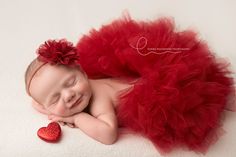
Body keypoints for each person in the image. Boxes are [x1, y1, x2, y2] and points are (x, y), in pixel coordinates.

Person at [25, 15, 235, 154]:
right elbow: (37, 101)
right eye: (55, 98)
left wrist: (76, 117)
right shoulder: (73, 93)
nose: (68, 95)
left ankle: (226, 97)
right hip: (139, 82)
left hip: (163, 99)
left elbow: (108, 134)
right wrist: (44, 105)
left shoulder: (99, 102)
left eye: (71, 82)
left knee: (201, 95)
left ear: (81, 70)